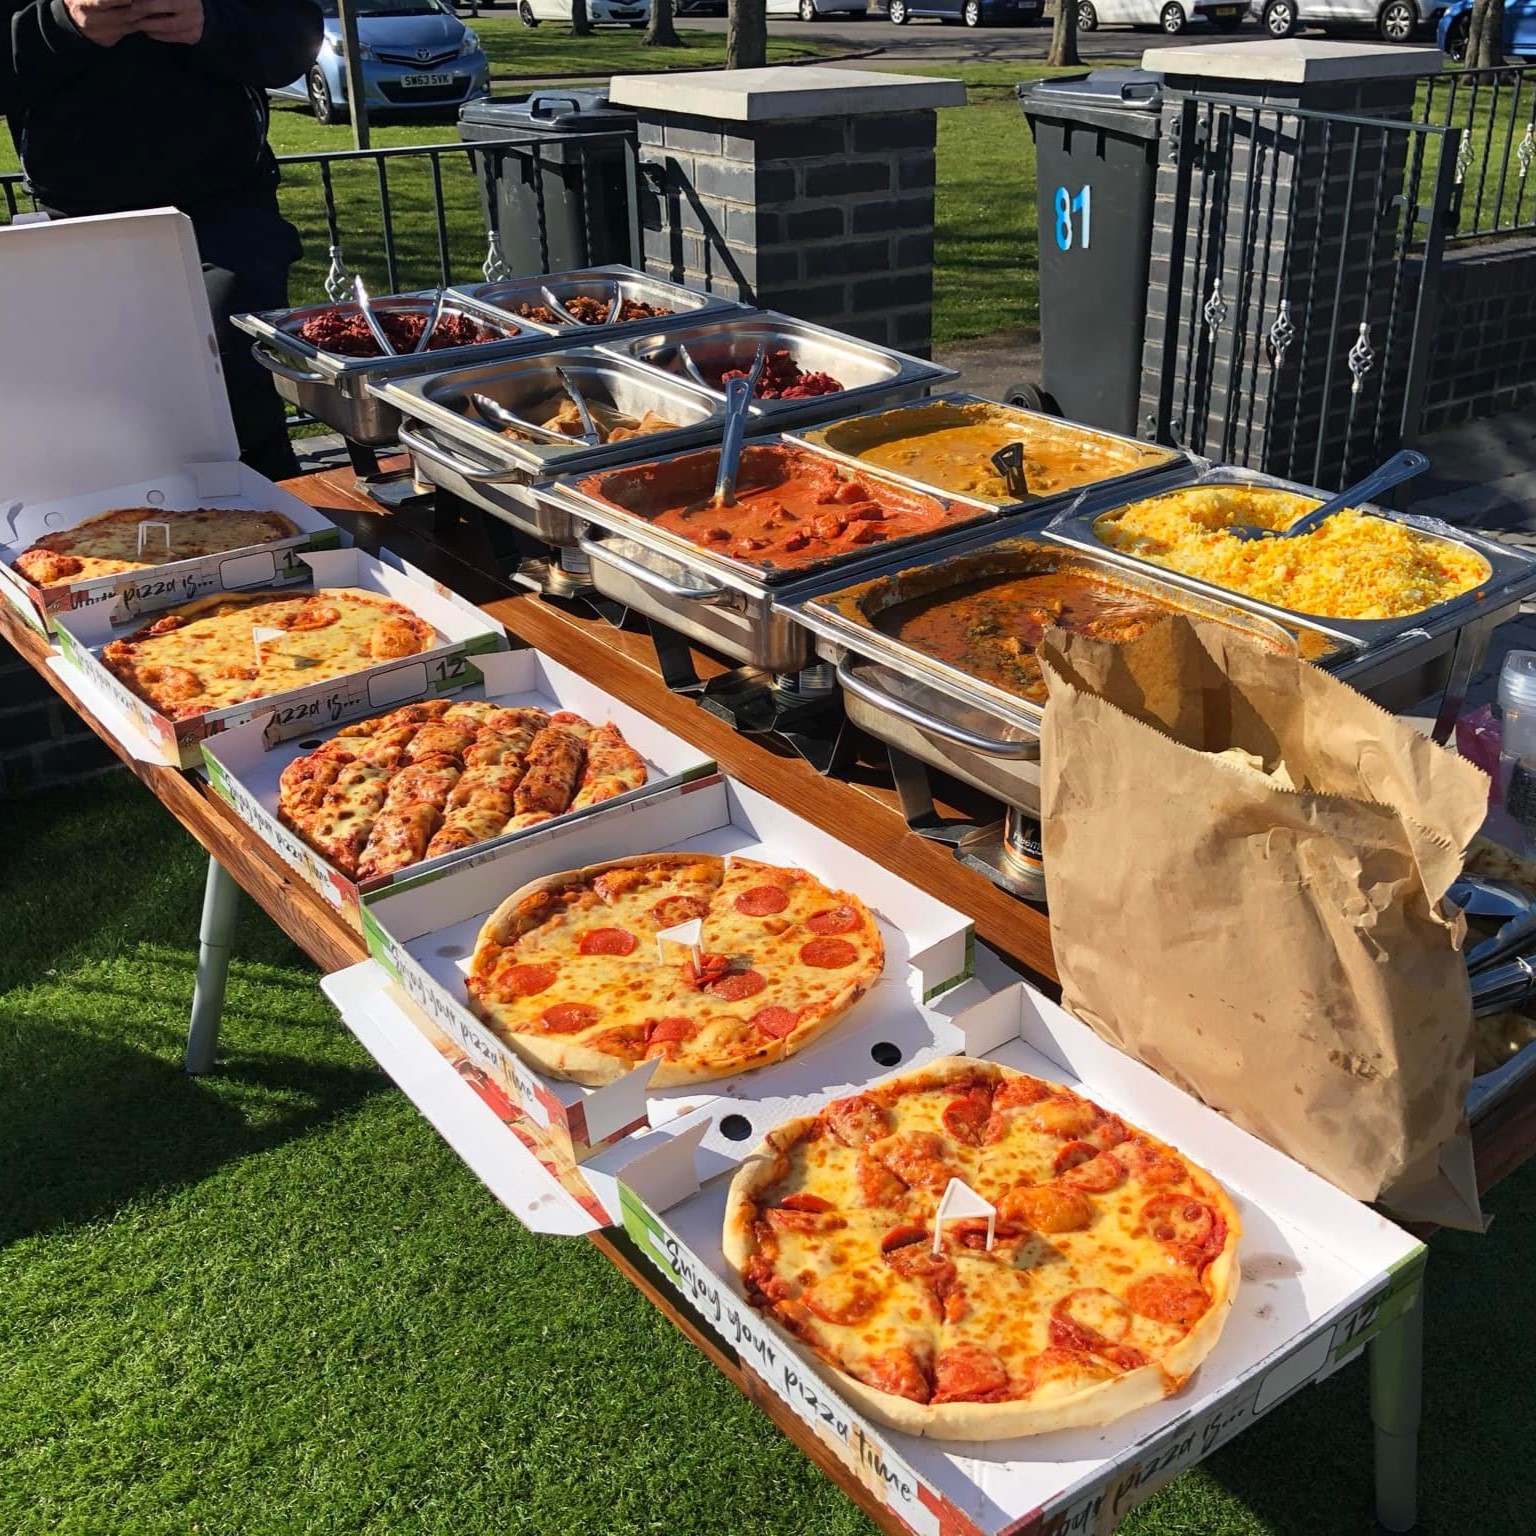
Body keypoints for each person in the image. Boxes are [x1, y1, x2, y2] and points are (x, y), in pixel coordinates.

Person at [1, 0, 325, 481]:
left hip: (226, 209)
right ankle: (123, 541)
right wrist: (61, 26)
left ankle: (279, 536)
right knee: (103, 415)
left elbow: (294, 43)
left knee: (231, 386)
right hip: (76, 219)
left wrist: (213, 23)